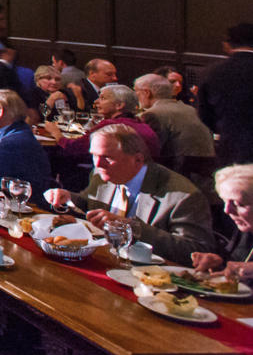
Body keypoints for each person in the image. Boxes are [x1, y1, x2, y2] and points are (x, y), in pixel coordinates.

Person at [45, 125, 215, 265]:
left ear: (138, 160)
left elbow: (196, 251)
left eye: (107, 157)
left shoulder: (183, 196)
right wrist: (68, 198)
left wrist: (132, 228)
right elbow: (91, 205)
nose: (98, 164)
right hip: (105, 261)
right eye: (94, 156)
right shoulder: (102, 175)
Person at [42, 84, 162, 160]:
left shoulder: (110, 126)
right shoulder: (139, 122)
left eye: (103, 98)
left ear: (119, 105)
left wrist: (56, 133)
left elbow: (74, 148)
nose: (96, 101)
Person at [134, 74, 215, 169]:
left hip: (180, 174)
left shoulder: (152, 114)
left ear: (147, 93)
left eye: (136, 91)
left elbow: (150, 152)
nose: (136, 96)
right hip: (206, 172)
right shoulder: (191, 109)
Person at [199, 23, 253, 164]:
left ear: (227, 44)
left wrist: (226, 128)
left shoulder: (212, 72)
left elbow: (205, 115)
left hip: (231, 148)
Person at [190, 164, 253, 281]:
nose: (227, 210)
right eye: (224, 201)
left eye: (239, 204)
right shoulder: (246, 231)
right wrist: (218, 263)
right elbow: (235, 265)